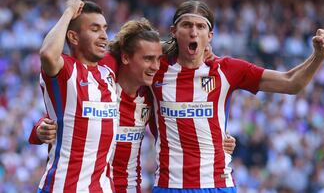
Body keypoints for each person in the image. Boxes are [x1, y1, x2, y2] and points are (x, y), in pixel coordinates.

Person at [30, 18, 236, 192]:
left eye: (157, 60)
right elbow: (65, 111)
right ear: (126, 58)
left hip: (131, 187)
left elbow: (175, 129)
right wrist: (40, 128)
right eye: (148, 59)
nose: (156, 66)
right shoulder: (101, 82)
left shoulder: (149, 95)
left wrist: (220, 141)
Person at [150, 0, 324, 193]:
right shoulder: (154, 68)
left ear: (210, 36)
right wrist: (159, 46)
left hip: (217, 185)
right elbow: (127, 49)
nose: (193, 32)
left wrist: (318, 56)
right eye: (186, 25)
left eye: (201, 26)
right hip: (169, 185)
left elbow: (290, 83)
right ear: (173, 31)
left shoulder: (228, 69)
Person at [36, 0, 117, 193]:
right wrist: (69, 12)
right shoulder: (66, 70)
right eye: (95, 29)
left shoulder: (109, 72)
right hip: (63, 188)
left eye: (105, 28)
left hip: (103, 188)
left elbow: (144, 52)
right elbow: (47, 53)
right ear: (73, 37)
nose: (104, 36)